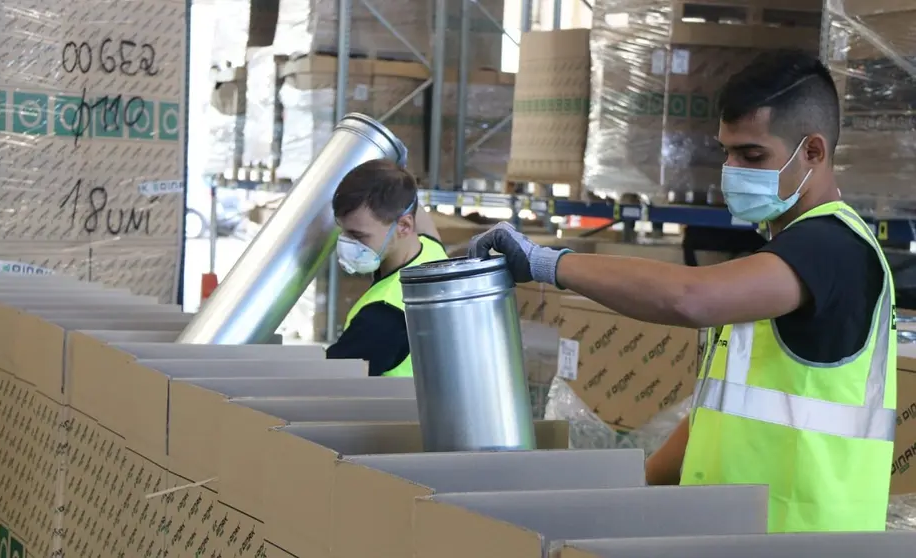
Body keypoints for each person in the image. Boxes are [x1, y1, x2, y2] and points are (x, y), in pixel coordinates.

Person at [468, 51, 896, 533]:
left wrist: (549, 263)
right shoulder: (785, 254)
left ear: (813, 152)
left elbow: (690, 299)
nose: (732, 170)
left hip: (800, 540)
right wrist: (640, 492)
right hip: (740, 535)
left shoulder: (833, 248)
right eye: (727, 153)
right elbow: (718, 416)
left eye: (752, 156)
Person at [326, 159, 448, 377]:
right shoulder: (431, 249)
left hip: (399, 412)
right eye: (343, 231)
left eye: (358, 235)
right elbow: (414, 207)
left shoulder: (384, 316)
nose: (346, 243)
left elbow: (322, 387)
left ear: (404, 226)